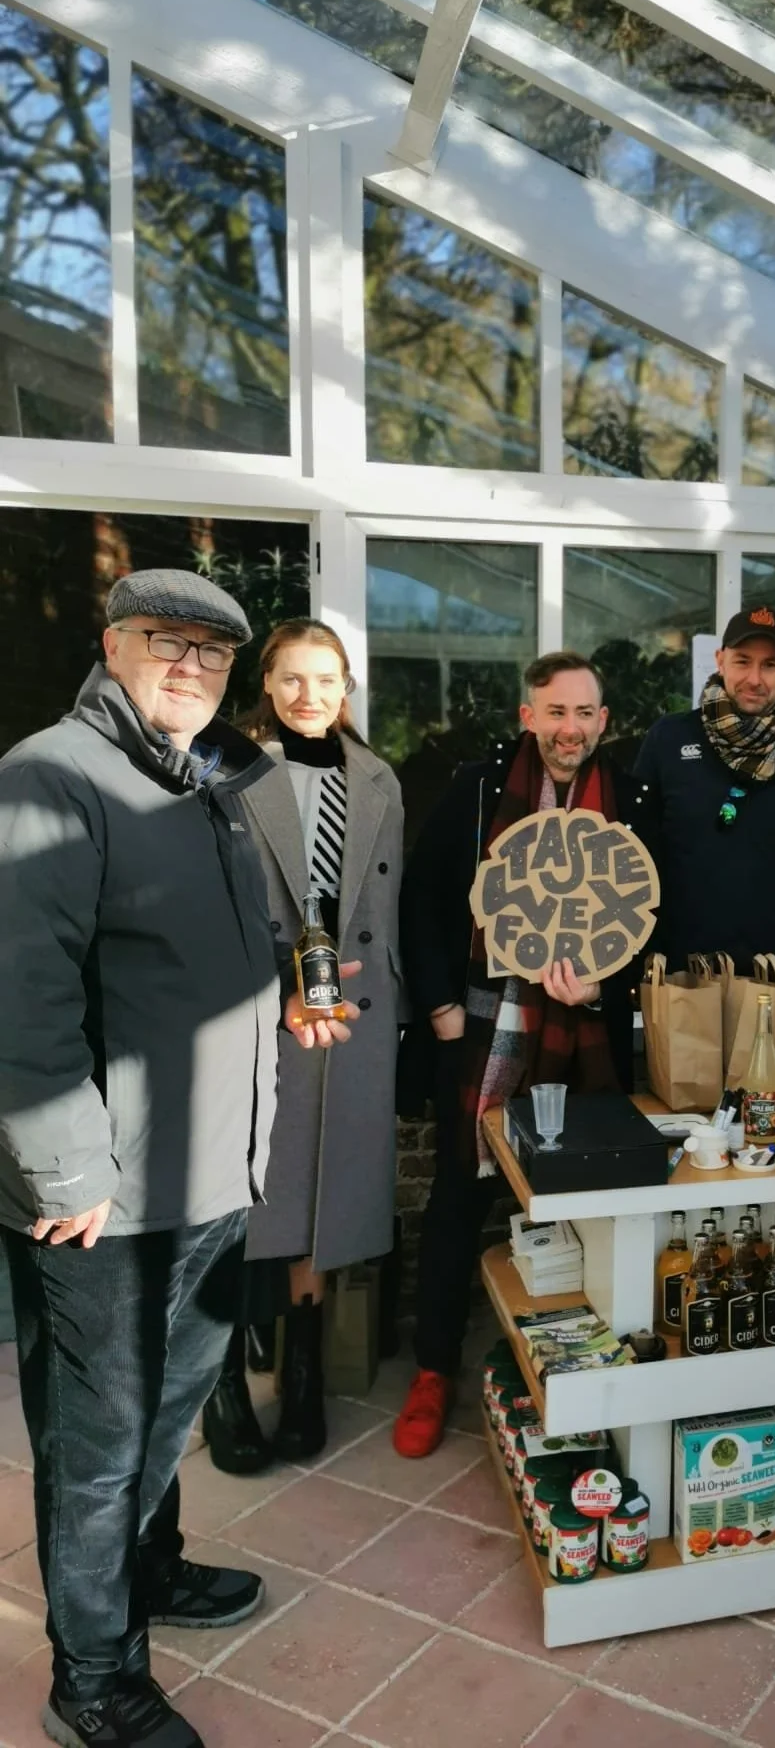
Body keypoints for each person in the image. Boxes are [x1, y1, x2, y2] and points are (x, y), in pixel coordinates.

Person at [0, 570, 357, 1748]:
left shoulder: (203, 781)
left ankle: (149, 1575)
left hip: (211, 1169)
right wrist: (66, 1177)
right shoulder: (51, 774)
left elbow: (219, 955)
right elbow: (22, 993)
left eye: (212, 652)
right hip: (103, 1198)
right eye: (168, 643)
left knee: (166, 1416)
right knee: (98, 1447)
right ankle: (93, 1678)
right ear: (112, 644)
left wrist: (286, 1013)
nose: (191, 667)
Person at [394, 651, 653, 1458]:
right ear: (528, 717)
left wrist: (606, 992)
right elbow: (424, 894)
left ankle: (573, 1374)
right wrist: (438, 1004)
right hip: (485, 1024)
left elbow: (653, 915)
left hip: (585, 1034)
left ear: (603, 723)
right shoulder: (478, 790)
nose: (570, 729)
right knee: (459, 1198)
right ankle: (433, 1370)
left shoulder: (634, 799)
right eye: (555, 712)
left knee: (585, 1202)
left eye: (585, 714)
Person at [201, 620, 404, 1474]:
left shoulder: (377, 776)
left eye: (326, 680)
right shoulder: (225, 768)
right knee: (242, 1199)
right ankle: (221, 1390)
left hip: (349, 1012)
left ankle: (305, 1376)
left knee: (323, 1197)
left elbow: (386, 909)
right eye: (292, 680)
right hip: (256, 1011)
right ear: (268, 684)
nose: (309, 696)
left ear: (346, 686)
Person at [633, 605, 775, 1060]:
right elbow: (636, 852)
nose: (755, 678)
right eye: (743, 662)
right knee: (690, 1129)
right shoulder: (668, 739)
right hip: (689, 982)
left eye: (770, 664)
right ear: (720, 660)